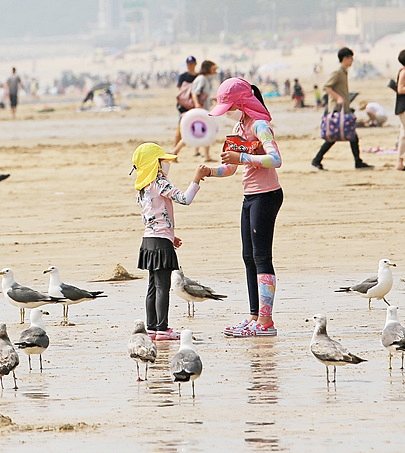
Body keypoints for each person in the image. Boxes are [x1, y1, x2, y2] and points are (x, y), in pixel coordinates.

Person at [206, 77, 283, 337]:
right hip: (249, 196)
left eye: (228, 106)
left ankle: (266, 322)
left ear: (240, 103)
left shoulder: (260, 125)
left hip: (266, 195)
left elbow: (275, 159)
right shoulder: (241, 125)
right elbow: (231, 167)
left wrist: (243, 157)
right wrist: (211, 171)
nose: (226, 112)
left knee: (262, 257)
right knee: (248, 256)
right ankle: (253, 316)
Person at [131, 142, 208, 341]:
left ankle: (152, 328)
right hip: (160, 241)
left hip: (149, 240)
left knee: (152, 286)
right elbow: (184, 199)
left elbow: (149, 216)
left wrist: (171, 235)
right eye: (163, 161)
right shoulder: (159, 183)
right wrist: (196, 179)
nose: (166, 165)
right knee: (163, 286)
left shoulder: (142, 188)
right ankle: (163, 329)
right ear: (154, 165)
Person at [311, 47, 374, 171]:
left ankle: (357, 161)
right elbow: (326, 87)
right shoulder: (338, 72)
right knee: (338, 137)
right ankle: (318, 160)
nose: (352, 61)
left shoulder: (343, 72)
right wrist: (338, 98)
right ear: (345, 58)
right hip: (337, 109)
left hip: (343, 109)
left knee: (346, 136)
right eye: (351, 58)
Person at [172, 60, 218, 162]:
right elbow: (194, 93)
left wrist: (211, 99)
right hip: (199, 111)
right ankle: (174, 152)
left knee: (206, 131)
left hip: (203, 110)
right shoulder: (201, 79)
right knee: (193, 133)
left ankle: (206, 156)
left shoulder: (204, 79)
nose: (215, 70)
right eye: (213, 68)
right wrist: (197, 104)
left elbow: (202, 94)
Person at [174, 56, 198, 152]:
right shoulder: (183, 76)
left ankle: (197, 151)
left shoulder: (198, 76)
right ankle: (175, 149)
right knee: (180, 129)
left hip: (195, 105)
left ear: (195, 64)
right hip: (184, 106)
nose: (190, 66)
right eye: (188, 64)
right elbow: (180, 90)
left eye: (191, 64)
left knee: (197, 127)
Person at [394, 49, 405, 171]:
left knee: (403, 134)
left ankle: (400, 161)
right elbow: (400, 89)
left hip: (402, 107)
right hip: (403, 107)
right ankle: (399, 161)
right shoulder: (404, 72)